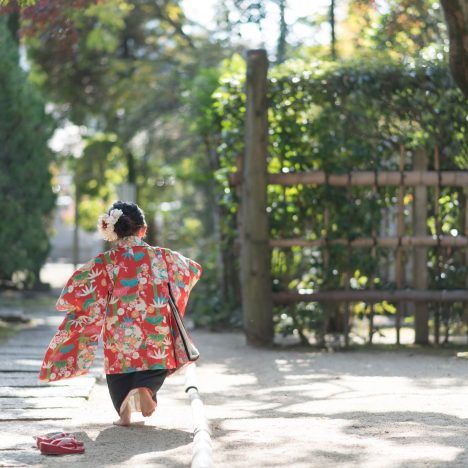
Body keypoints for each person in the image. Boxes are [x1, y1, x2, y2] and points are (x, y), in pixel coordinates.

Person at [38, 201, 202, 426]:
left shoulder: (106, 262)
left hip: (120, 331)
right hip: (155, 327)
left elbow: (80, 284)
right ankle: (145, 389)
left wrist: (76, 306)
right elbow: (191, 270)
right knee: (155, 365)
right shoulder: (162, 257)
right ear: (143, 230)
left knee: (118, 373)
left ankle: (123, 414)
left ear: (113, 233)